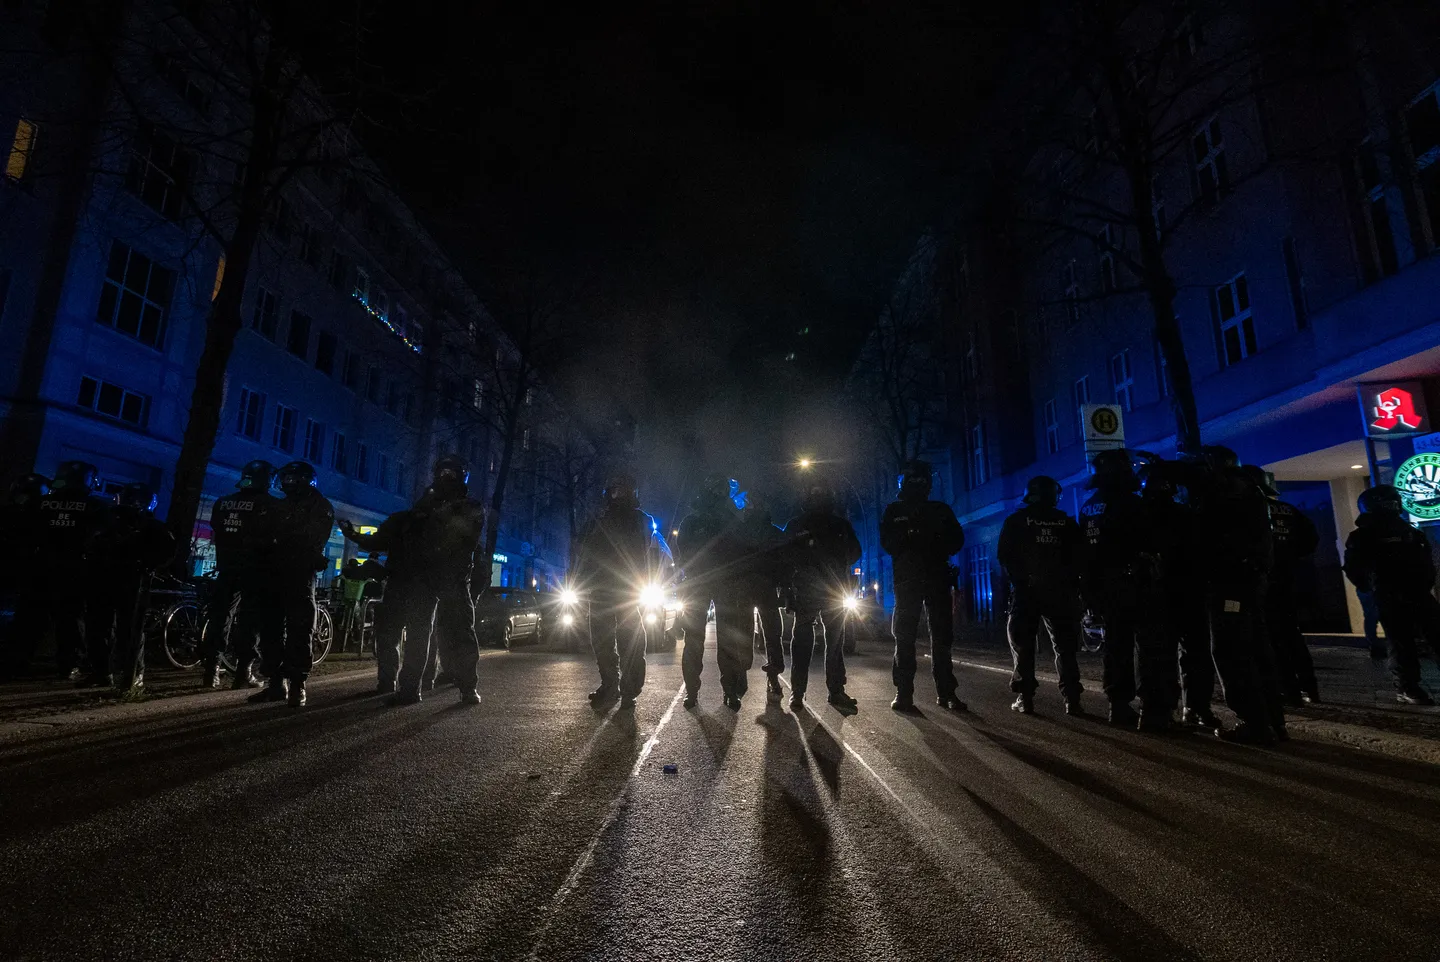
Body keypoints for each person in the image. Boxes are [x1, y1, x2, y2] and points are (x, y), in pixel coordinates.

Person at [345, 456, 486, 705]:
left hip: (452, 579)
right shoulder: (425, 504)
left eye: (451, 473)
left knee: (460, 633)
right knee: (418, 635)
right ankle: (410, 689)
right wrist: (358, 537)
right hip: (423, 578)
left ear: (461, 477)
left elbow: (463, 535)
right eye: (442, 472)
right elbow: (395, 533)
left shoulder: (468, 507)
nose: (445, 477)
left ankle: (468, 688)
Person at [1191, 446, 1283, 744]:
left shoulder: (1225, 493)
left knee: (1231, 651)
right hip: (1250, 581)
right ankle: (1273, 721)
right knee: (1257, 650)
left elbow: (1210, 538)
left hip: (1230, 584)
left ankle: (1253, 722)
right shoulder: (1251, 491)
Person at [1078, 449, 1172, 731]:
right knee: (1150, 647)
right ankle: (1153, 711)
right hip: (1136, 583)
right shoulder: (1131, 503)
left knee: (1116, 646)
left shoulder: (1089, 507)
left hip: (1105, 587)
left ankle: (1118, 706)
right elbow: (1150, 540)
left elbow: (1085, 553)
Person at [880, 460, 966, 712]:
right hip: (908, 582)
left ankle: (946, 692)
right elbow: (888, 543)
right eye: (913, 480)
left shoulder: (940, 510)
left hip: (936, 579)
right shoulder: (894, 511)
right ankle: (904, 693)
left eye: (921, 480)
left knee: (941, 638)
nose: (918, 484)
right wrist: (910, 536)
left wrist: (933, 538)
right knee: (905, 637)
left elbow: (957, 540)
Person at [1343, 484, 1440, 705]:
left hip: (1402, 593)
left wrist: (1371, 588)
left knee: (1405, 641)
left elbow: (1354, 568)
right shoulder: (1398, 532)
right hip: (1396, 594)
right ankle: (1407, 687)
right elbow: (1355, 569)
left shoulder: (1405, 532)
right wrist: (1373, 588)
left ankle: (1408, 687)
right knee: (1406, 641)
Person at [573, 472, 663, 708]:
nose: (618, 494)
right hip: (602, 587)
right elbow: (583, 547)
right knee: (602, 641)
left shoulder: (641, 519)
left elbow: (644, 548)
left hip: (626, 588)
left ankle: (629, 689)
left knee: (630, 640)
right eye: (614, 490)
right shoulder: (600, 519)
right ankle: (610, 685)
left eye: (622, 490)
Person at [248, 461, 334, 708]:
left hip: (299, 575)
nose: (286, 483)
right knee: (270, 630)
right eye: (285, 479)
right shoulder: (280, 505)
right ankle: (276, 683)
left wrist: (278, 539)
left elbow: (309, 538)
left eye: (291, 479)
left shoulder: (319, 506)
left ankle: (297, 684)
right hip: (273, 573)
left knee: (300, 629)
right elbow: (262, 533)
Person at [1140, 459, 1219, 729]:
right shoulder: (1186, 514)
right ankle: (1195, 708)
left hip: (1159, 594)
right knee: (1195, 653)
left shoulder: (1139, 515)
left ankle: (1159, 711)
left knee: (1158, 655)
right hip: (1187, 592)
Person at [997, 475, 1083, 715]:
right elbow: (1080, 557)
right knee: (1065, 647)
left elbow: (1004, 556)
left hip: (1027, 593)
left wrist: (1020, 580)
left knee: (1023, 645)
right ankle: (1072, 699)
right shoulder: (1066, 523)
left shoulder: (1016, 521)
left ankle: (1025, 698)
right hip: (1060, 592)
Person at [84, 483, 176, 693]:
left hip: (131, 583)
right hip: (107, 580)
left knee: (128, 630)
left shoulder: (149, 526)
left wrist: (146, 566)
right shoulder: (110, 521)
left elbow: (166, 553)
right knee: (101, 628)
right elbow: (91, 543)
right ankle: (105, 672)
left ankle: (131, 674)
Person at [782, 481, 861, 712]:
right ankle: (828, 691)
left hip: (816, 588)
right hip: (825, 588)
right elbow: (854, 553)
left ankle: (801, 693)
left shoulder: (799, 524)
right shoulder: (838, 524)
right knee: (827, 641)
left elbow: (784, 556)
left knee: (812, 641)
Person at [1246, 466, 1320, 705]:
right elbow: (1311, 540)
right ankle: (1309, 686)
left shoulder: (1249, 510)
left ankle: (1287, 688)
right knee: (1291, 634)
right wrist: (1289, 557)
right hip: (1288, 580)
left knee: (1271, 637)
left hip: (1263, 581)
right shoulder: (1288, 510)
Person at [200, 460, 278, 689]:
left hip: (226, 567)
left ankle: (211, 671)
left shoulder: (223, 502)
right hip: (255, 570)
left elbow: (218, 528)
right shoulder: (270, 505)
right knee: (249, 621)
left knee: (220, 618)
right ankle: (244, 672)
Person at [675, 474, 751, 709]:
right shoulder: (723, 518)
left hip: (713, 582)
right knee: (701, 639)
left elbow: (684, 552)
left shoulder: (721, 518)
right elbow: (684, 551)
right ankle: (712, 691)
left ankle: (715, 691)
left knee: (705, 639)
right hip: (709, 581)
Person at [35, 462, 112, 682]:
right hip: (76, 570)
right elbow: (103, 538)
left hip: (41, 567)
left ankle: (18, 660)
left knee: (33, 614)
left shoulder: (43, 504)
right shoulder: (95, 507)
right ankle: (69, 664)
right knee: (71, 618)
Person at [738, 490, 788, 699]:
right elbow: (784, 560)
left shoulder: (740, 530)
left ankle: (742, 679)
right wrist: (783, 585)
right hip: (766, 588)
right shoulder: (774, 531)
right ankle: (772, 676)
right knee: (772, 633)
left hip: (748, 588)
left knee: (747, 633)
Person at [0, 474, 50, 678]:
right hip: (25, 577)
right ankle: (16, 661)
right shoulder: (40, 517)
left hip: (19, 576)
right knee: (23, 622)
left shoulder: (8, 512)